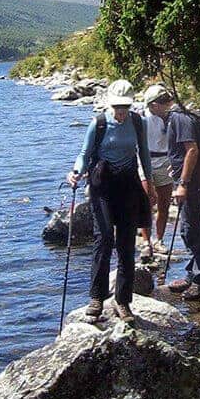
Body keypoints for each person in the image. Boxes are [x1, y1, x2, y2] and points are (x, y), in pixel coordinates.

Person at [67, 79, 155, 322]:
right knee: (104, 238)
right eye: (117, 106)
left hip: (128, 184)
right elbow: (84, 155)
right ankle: (96, 297)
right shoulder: (99, 123)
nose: (121, 111)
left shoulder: (138, 122)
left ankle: (123, 302)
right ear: (110, 104)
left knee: (127, 244)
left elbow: (144, 153)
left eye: (125, 106)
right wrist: (75, 173)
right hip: (102, 186)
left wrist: (151, 183)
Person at [163, 99, 200, 300]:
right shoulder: (179, 116)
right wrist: (175, 167)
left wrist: (182, 183)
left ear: (156, 105)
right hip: (193, 179)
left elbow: (192, 150)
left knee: (193, 229)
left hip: (193, 182)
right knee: (188, 228)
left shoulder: (179, 118)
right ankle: (193, 275)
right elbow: (183, 152)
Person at [138, 84, 175, 261]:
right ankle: (146, 242)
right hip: (145, 162)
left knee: (164, 204)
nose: (167, 105)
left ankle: (158, 240)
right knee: (147, 202)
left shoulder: (170, 118)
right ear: (153, 105)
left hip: (165, 161)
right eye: (163, 103)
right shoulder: (141, 119)